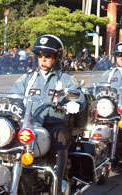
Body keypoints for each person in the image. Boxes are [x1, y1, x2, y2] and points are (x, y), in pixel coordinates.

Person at [8, 34, 86, 194]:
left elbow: (80, 95)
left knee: (60, 138)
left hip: (54, 123)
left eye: (48, 56)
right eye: (40, 56)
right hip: (29, 125)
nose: (43, 59)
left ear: (57, 58)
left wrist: (75, 103)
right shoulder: (28, 79)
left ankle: (58, 182)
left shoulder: (65, 79)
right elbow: (12, 95)